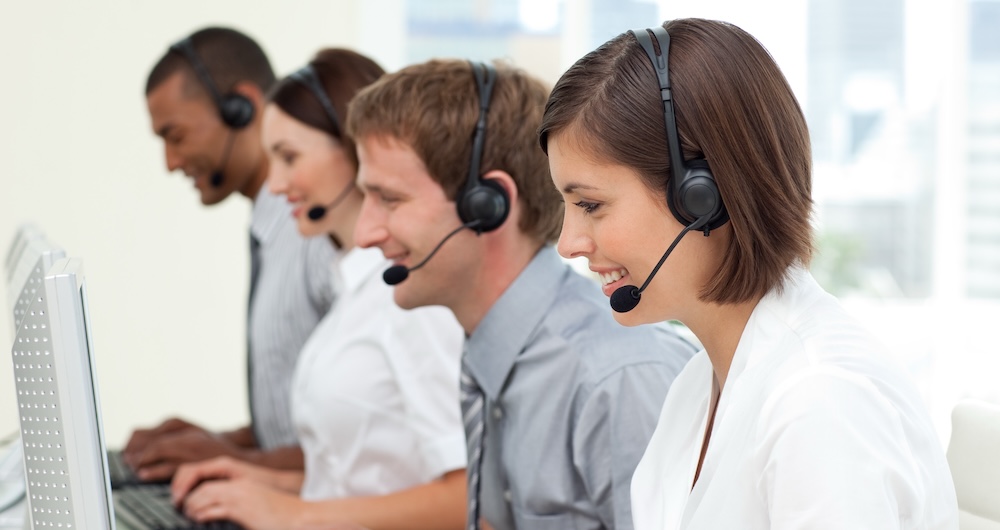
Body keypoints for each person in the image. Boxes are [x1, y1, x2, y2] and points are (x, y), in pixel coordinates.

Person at [539, 18, 958, 529]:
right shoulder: (701, 385)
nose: (568, 244)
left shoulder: (820, 401)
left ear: (704, 196)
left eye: (591, 204)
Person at [349, 58, 696, 530]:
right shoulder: (493, 356)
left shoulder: (614, 380)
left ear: (487, 206)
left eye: (389, 199)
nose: (363, 233)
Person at [169, 48, 468, 530]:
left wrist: (294, 515)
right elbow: (353, 479)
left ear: (356, 150)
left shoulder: (412, 297)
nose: (277, 183)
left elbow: (468, 498)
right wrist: (256, 482)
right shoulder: (352, 284)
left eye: (289, 157)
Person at [126, 26, 338, 480]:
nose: (169, 162)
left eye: (176, 135)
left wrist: (235, 463)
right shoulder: (273, 228)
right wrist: (225, 442)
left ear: (241, 107)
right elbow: (306, 423)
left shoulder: (319, 233)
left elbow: (368, 447)